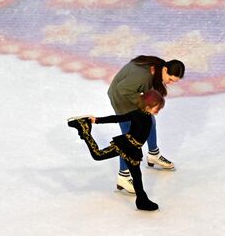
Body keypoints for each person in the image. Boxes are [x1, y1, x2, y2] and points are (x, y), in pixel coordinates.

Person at [67, 90, 165, 211]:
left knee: (137, 175)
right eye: (157, 108)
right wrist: (96, 120)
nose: (158, 111)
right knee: (98, 155)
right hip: (126, 145)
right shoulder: (136, 114)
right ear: (148, 106)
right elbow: (117, 118)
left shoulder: (148, 116)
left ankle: (142, 201)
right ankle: (84, 129)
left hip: (134, 149)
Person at [107, 55, 185, 194]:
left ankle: (153, 154)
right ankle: (123, 176)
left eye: (175, 81)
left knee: (149, 121)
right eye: (171, 79)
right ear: (165, 69)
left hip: (131, 93)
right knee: (129, 138)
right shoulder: (143, 75)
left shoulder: (158, 67)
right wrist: (144, 103)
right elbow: (122, 88)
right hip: (121, 98)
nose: (170, 83)